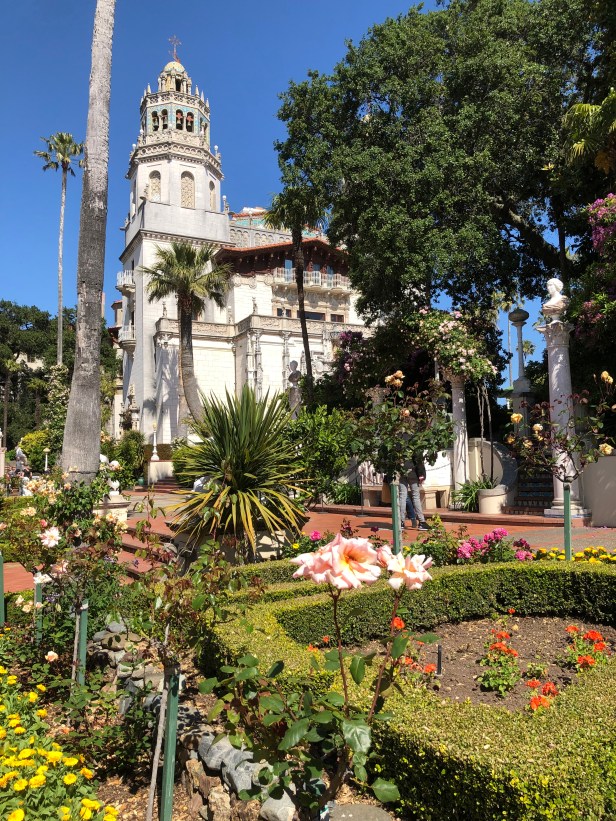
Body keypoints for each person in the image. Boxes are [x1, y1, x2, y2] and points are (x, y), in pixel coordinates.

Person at [399, 455, 429, 531]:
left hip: (402, 472)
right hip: (413, 472)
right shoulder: (414, 448)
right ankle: (422, 522)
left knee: (402, 496)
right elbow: (418, 459)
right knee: (416, 497)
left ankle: (401, 522)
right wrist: (421, 475)